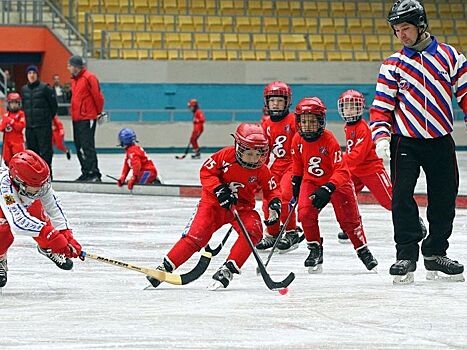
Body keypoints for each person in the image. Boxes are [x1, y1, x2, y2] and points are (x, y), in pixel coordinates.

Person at [370, 0, 466, 284]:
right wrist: (380, 137)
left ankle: (436, 252)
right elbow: (381, 107)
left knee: (444, 199)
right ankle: (406, 254)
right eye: (397, 30)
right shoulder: (392, 65)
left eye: (406, 28)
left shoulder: (451, 57)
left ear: (421, 25)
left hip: (440, 141)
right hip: (405, 142)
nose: (402, 35)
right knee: (400, 197)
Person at [146, 123, 281, 290]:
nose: (254, 159)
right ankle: (165, 267)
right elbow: (206, 172)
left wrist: (275, 202)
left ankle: (228, 269)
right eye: (249, 153)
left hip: (241, 209)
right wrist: (219, 189)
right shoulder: (224, 157)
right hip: (213, 206)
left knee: (253, 230)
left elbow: (272, 189)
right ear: (239, 148)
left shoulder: (262, 170)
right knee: (196, 236)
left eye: (258, 154)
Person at [291, 97, 378, 273]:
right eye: (304, 121)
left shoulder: (329, 140)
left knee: (349, 222)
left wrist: (328, 187)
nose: (307, 126)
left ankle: (362, 249)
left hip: (338, 184)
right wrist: (296, 183)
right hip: (312, 181)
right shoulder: (296, 140)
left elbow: (342, 170)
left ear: (321, 121)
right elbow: (298, 164)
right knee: (305, 214)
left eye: (312, 121)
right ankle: (315, 249)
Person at [0, 150, 82, 287]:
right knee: (3, 230)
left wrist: (65, 233)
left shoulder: (38, 182)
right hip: (4, 205)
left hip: (24, 200)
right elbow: (18, 221)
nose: (44, 188)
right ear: (20, 182)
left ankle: (46, 248)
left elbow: (54, 207)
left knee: (40, 217)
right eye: (38, 186)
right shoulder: (5, 187)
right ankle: (0, 257)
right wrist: (52, 236)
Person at [336, 89, 392, 242]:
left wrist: (339, 162)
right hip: (354, 170)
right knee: (344, 196)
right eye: (346, 107)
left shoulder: (364, 128)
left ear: (360, 108)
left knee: (390, 200)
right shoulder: (348, 126)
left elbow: (357, 155)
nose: (349, 110)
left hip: (370, 169)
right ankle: (350, 227)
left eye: (353, 106)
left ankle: (412, 221)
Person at [256, 81, 302, 252]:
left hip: (293, 164)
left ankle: (291, 232)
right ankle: (273, 234)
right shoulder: (266, 124)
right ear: (266, 102)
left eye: (279, 100)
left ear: (287, 102)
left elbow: (301, 147)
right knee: (268, 200)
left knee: (284, 198)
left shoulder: (294, 121)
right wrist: (259, 171)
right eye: (272, 100)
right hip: (276, 165)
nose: (275, 104)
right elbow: (265, 152)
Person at [67, 55, 105, 182]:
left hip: (87, 117)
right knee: (79, 146)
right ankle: (86, 171)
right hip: (77, 117)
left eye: (70, 65)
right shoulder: (74, 80)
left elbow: (98, 96)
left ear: (76, 66)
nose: (68, 68)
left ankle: (94, 172)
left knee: (87, 146)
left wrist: (98, 113)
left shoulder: (89, 78)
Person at [21, 65, 57, 173]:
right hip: (30, 127)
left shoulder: (45, 88)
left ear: (37, 74)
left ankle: (47, 174)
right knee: (32, 153)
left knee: (46, 152)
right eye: (29, 73)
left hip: (43, 127)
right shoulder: (24, 89)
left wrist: (47, 119)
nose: (31, 75)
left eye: (33, 73)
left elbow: (53, 106)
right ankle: (34, 175)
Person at [0, 93, 25, 165]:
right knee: (7, 161)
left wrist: (11, 121)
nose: (14, 105)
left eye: (16, 103)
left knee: (18, 161)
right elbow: (1, 128)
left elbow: (20, 127)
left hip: (18, 142)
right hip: (7, 143)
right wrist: (5, 123)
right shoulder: (6, 115)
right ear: (9, 104)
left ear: (19, 104)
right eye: (12, 103)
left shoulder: (21, 114)